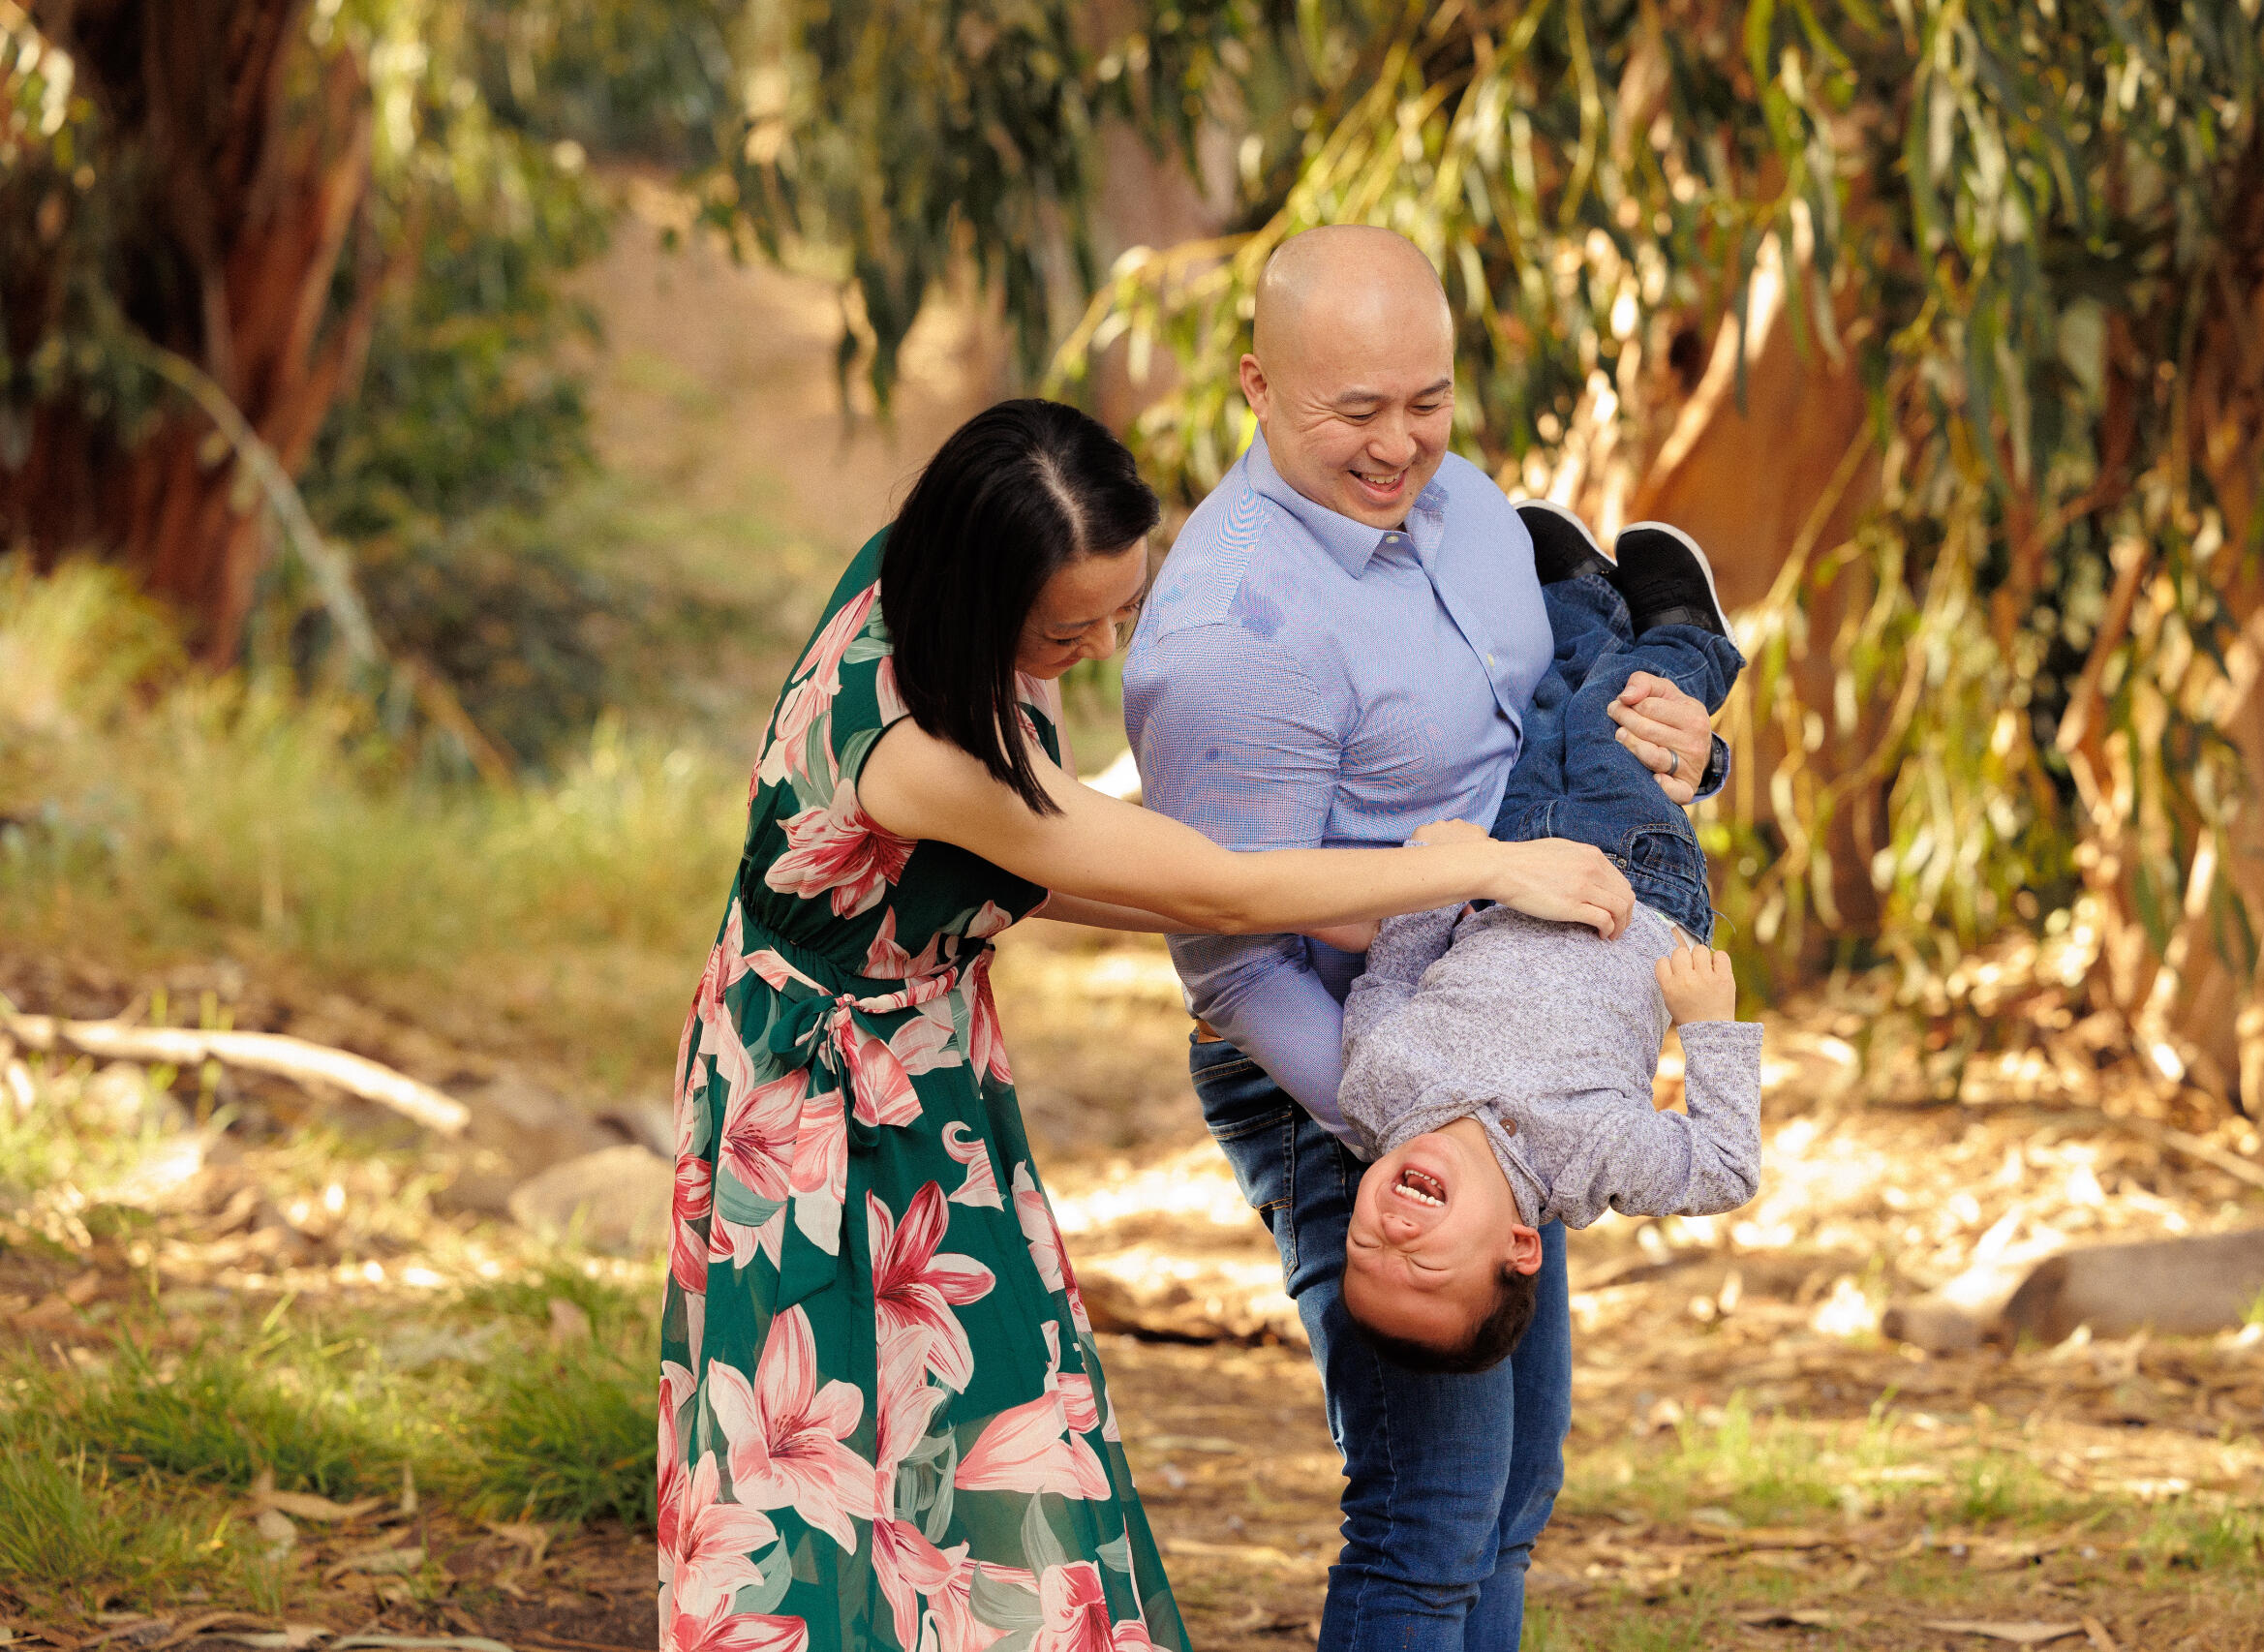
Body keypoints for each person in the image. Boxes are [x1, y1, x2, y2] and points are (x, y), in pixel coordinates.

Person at [656, 397, 1636, 1652]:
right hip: (806, 1103)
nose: (1107, 644)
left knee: (981, 1401)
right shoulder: (924, 755)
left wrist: (1361, 910)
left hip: (922, 1049)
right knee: (822, 1436)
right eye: (1070, 627)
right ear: (980, 582)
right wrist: (1479, 870)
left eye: (1124, 608)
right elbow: (1208, 884)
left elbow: (1060, 875)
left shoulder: (913, 576)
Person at [1121, 227, 1732, 1652]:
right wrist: (1428, 1118)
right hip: (1347, 1060)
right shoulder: (1234, 633)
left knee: (1516, 1486)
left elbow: (1554, 732)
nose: (1403, 447)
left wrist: (1691, 752)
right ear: (1257, 385)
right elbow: (1227, 946)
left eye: (1429, 400)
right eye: (1356, 413)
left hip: (1507, 1042)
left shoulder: (1463, 504)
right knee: (1429, 1512)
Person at [1331, 508, 1764, 1373]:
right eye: (1422, 1261)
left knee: (1538, 717)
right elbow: (1725, 1168)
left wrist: (1451, 874)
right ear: (1521, 1247)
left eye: (1365, 1251)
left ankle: (1579, 600)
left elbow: (1391, 979)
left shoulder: (1377, 1092)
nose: (1393, 1234)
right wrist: (1710, 1026)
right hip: (1638, 883)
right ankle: (1689, 637)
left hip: (1511, 859)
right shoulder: (1590, 1158)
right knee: (1614, 725)